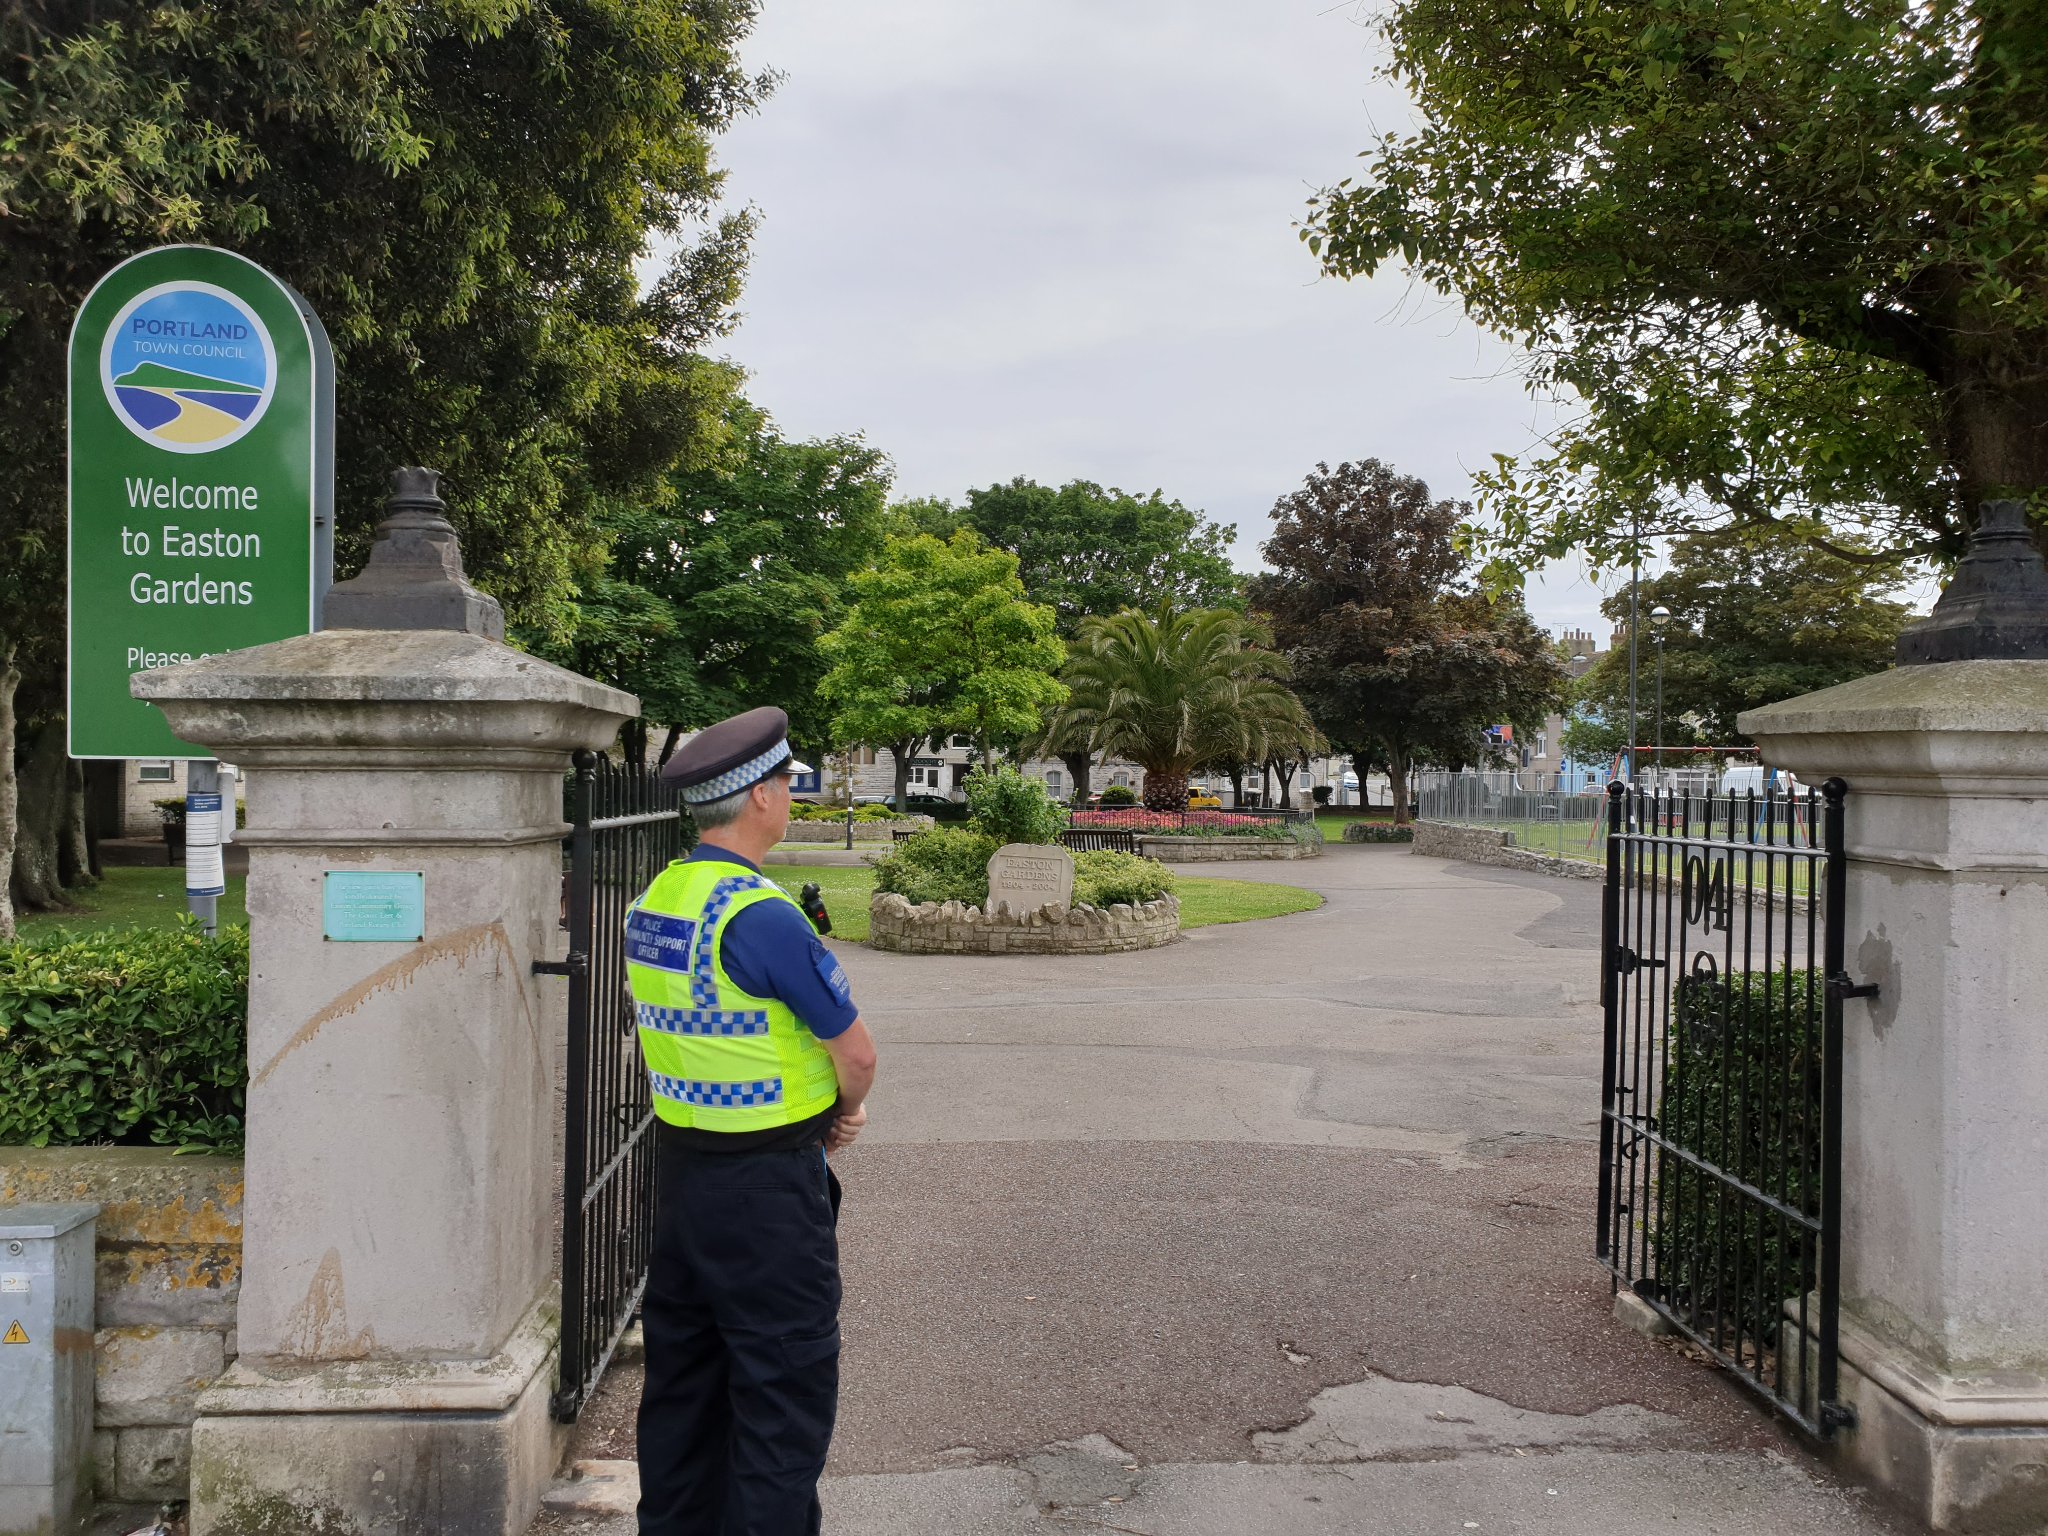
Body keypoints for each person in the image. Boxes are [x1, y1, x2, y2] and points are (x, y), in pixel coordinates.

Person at [624, 706, 878, 1536]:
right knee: (781, 1393)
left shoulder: (661, 896)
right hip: (767, 1191)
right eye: (788, 785)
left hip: (682, 1181)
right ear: (763, 797)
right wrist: (846, 1113)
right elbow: (857, 1053)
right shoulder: (761, 915)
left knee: (684, 1388)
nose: (790, 797)